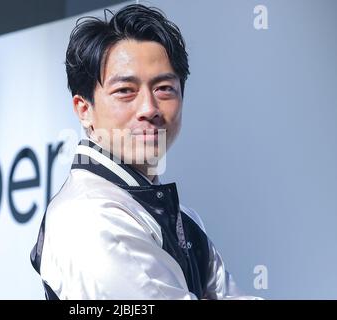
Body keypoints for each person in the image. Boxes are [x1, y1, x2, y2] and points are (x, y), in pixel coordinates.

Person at [30, 4, 254, 300]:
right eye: (125, 91)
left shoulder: (183, 220)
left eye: (164, 88)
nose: (149, 108)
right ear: (84, 110)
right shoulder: (88, 216)